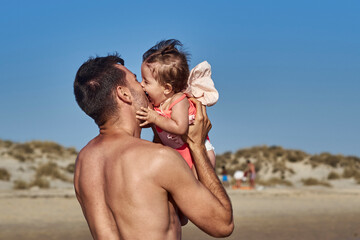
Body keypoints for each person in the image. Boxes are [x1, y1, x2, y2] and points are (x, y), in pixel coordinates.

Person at [73, 54, 233, 240]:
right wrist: (196, 146)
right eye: (135, 79)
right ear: (123, 94)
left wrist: (160, 131)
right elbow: (222, 225)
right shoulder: (158, 159)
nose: (142, 85)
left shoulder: (83, 162)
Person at [135, 39, 217, 170]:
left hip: (197, 152)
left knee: (198, 185)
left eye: (146, 81)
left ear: (167, 88)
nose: (141, 84)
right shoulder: (156, 104)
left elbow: (180, 128)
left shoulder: (179, 100)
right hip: (178, 151)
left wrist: (154, 118)